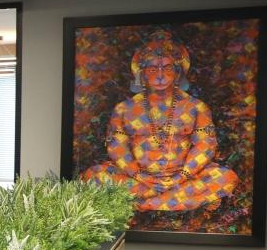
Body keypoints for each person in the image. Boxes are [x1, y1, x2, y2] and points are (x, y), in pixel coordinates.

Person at [79, 33, 238, 211]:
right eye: (153, 69)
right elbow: (117, 148)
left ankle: (142, 203)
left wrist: (181, 177)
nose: (160, 76)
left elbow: (205, 146)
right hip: (138, 178)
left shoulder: (196, 107)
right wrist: (140, 176)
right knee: (94, 175)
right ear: (142, 73)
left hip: (182, 177)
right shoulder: (124, 109)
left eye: (167, 68)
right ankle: (174, 201)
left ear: (178, 73)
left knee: (225, 177)